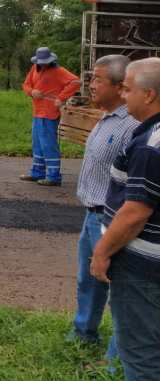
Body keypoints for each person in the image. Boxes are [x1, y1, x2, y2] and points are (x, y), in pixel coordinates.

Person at [91, 57, 160, 381]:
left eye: (128, 90)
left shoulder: (150, 145)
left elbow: (135, 213)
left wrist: (102, 251)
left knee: (141, 355)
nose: (123, 95)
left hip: (142, 268)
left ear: (149, 95)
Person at [70, 55, 138, 367]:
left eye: (97, 79)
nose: (91, 85)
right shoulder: (107, 116)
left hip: (113, 219)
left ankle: (116, 359)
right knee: (89, 280)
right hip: (92, 214)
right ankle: (83, 333)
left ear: (120, 86)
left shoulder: (133, 124)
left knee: (120, 290)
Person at [20, 47, 82, 186]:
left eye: (46, 62)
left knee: (48, 146)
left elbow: (76, 82)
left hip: (49, 114)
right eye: (41, 62)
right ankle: (37, 173)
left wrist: (61, 97)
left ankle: (54, 177)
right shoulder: (34, 69)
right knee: (38, 145)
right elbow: (26, 84)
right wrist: (32, 91)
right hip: (37, 114)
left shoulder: (58, 71)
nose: (44, 64)